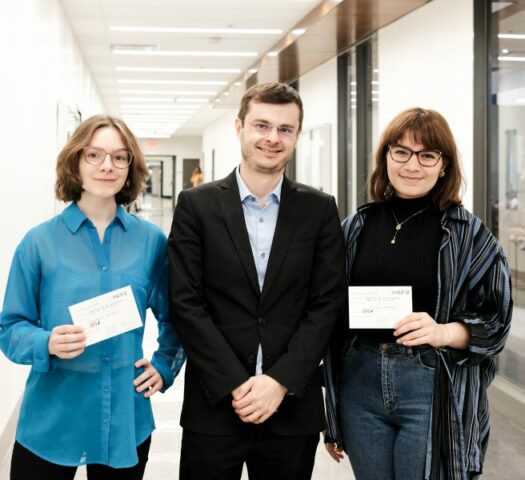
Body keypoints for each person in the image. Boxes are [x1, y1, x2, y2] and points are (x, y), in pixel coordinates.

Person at [168, 82, 346, 480]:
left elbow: (327, 303)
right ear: (240, 127)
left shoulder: (319, 209)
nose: (272, 138)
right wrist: (236, 383)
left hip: (291, 408)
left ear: (297, 135)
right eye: (261, 125)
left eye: (285, 129)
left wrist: (279, 382)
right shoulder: (197, 206)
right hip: (215, 404)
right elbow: (185, 301)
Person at [323, 108, 512, 479]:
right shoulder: (356, 226)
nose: (413, 165)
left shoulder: (467, 236)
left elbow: (498, 320)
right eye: (402, 152)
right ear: (386, 157)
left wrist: (443, 332)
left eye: (427, 155)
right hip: (359, 383)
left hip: (430, 381)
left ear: (444, 166)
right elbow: (327, 308)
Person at [0, 115, 186, 480]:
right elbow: (10, 327)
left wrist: (164, 366)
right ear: (75, 162)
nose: (107, 166)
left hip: (125, 418)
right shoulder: (38, 243)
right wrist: (46, 341)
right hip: (52, 420)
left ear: (130, 167)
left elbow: (176, 317)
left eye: (120, 157)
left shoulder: (151, 242)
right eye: (94, 155)